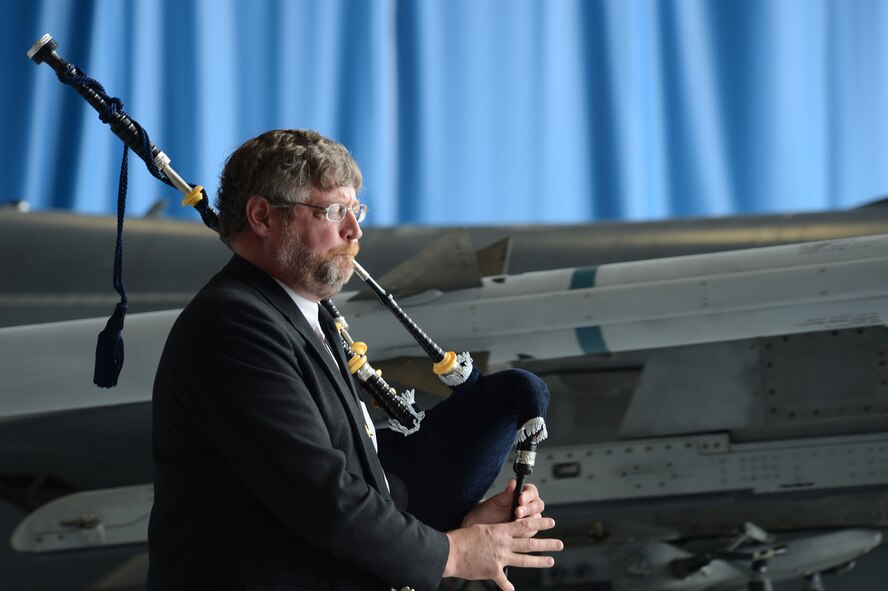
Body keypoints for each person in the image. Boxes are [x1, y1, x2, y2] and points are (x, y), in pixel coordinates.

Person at [147, 129, 562, 591]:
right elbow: (321, 498)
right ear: (263, 216)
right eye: (332, 211)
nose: (354, 230)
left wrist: (458, 526)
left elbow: (357, 485)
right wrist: (454, 552)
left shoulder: (302, 319)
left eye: (355, 209)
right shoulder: (234, 325)